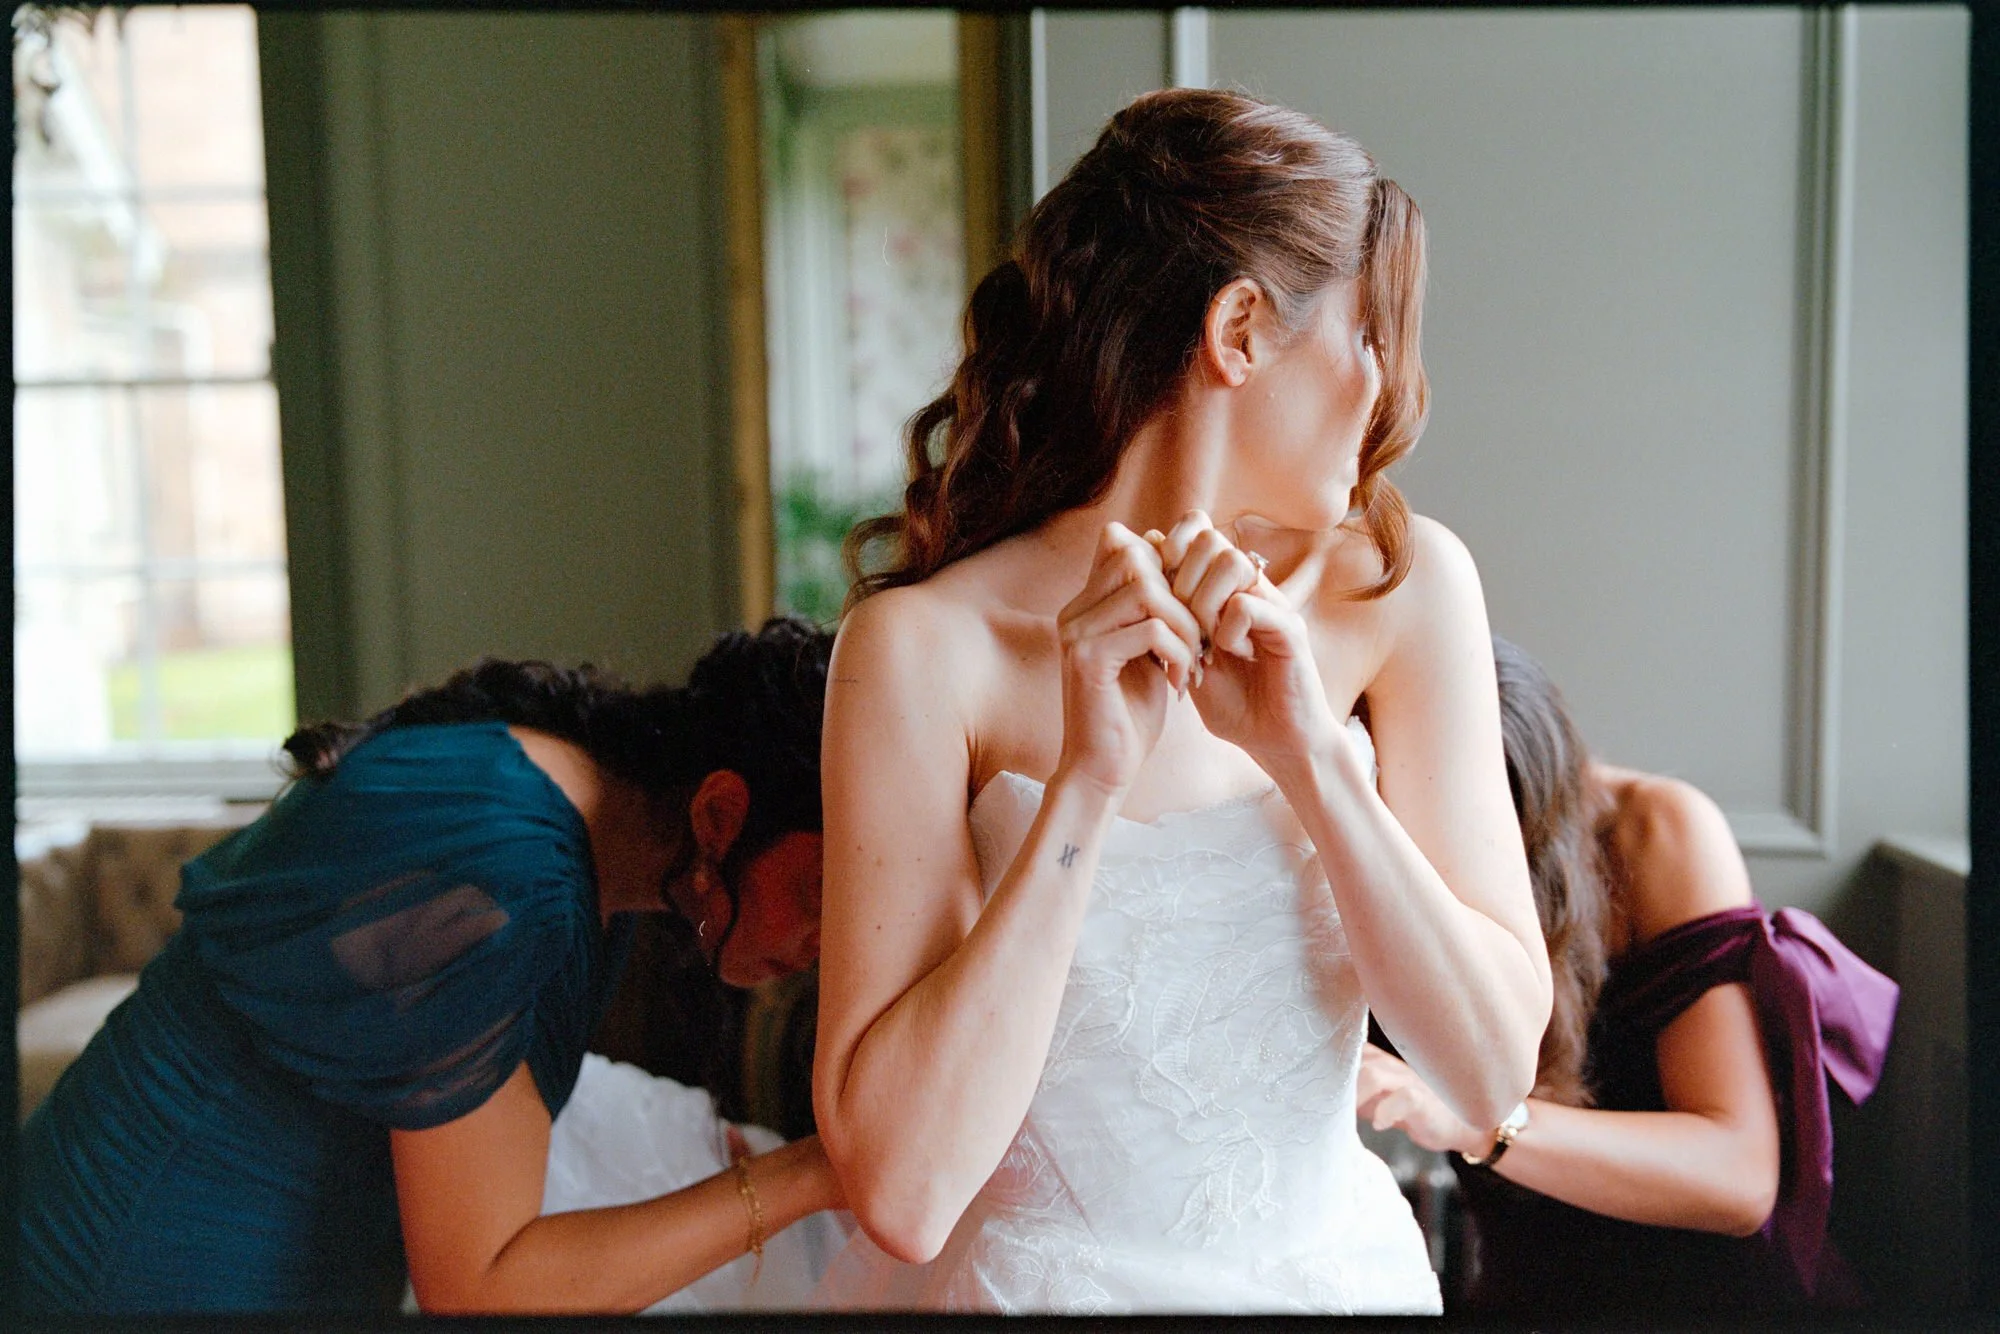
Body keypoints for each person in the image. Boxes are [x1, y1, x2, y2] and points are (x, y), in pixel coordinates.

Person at [807, 87, 1551, 1314]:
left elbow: (1482, 1081)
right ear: (1243, 328)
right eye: (1368, 334)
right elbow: (902, 1190)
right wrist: (1082, 787)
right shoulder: (921, 652)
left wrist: (1312, 753)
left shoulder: (1403, 597)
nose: (1386, 394)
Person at [20, 619, 847, 1314]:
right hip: (155, 1260)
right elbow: (484, 1284)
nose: (831, 940)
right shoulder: (507, 867)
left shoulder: (585, 833)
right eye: (821, 890)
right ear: (720, 812)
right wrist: (815, 1172)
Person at [1356, 635, 1899, 1315]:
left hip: (1713, 1304)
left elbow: (1739, 1178)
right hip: (1527, 1293)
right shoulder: (1351, 833)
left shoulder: (1658, 831)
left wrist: (1477, 1124)